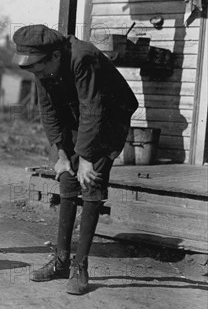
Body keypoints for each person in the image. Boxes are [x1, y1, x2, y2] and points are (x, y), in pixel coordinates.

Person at [12, 24, 139, 295]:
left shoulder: (83, 57)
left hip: (109, 116)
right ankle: (60, 261)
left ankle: (80, 267)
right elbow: (47, 110)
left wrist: (86, 158)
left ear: (55, 56)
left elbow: (94, 110)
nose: (35, 74)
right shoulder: (41, 64)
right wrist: (61, 154)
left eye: (37, 67)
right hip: (78, 115)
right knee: (68, 179)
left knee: (90, 182)